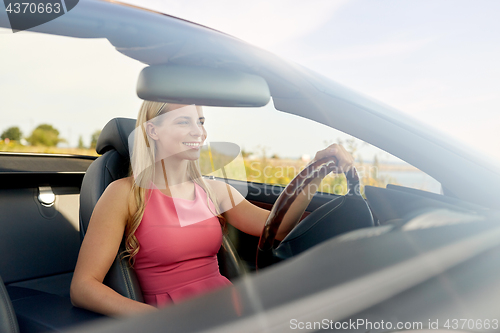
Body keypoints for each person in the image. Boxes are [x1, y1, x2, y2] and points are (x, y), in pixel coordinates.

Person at [70, 101, 354, 317]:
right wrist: (156, 322)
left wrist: (314, 173)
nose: (198, 131)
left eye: (201, 121)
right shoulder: (124, 194)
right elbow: (83, 287)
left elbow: (277, 227)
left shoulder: (212, 190)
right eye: (184, 122)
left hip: (230, 310)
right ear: (153, 130)